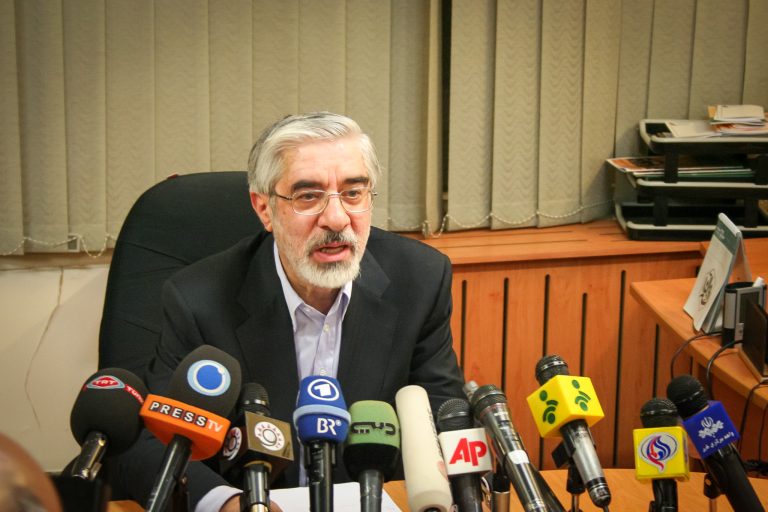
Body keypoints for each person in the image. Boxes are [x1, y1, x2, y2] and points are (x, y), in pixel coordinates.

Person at [112, 112, 465, 511]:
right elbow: (149, 441)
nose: (337, 219)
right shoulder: (198, 300)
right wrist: (227, 504)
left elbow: (444, 415)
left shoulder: (419, 280)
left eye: (353, 193)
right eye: (308, 196)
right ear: (264, 208)